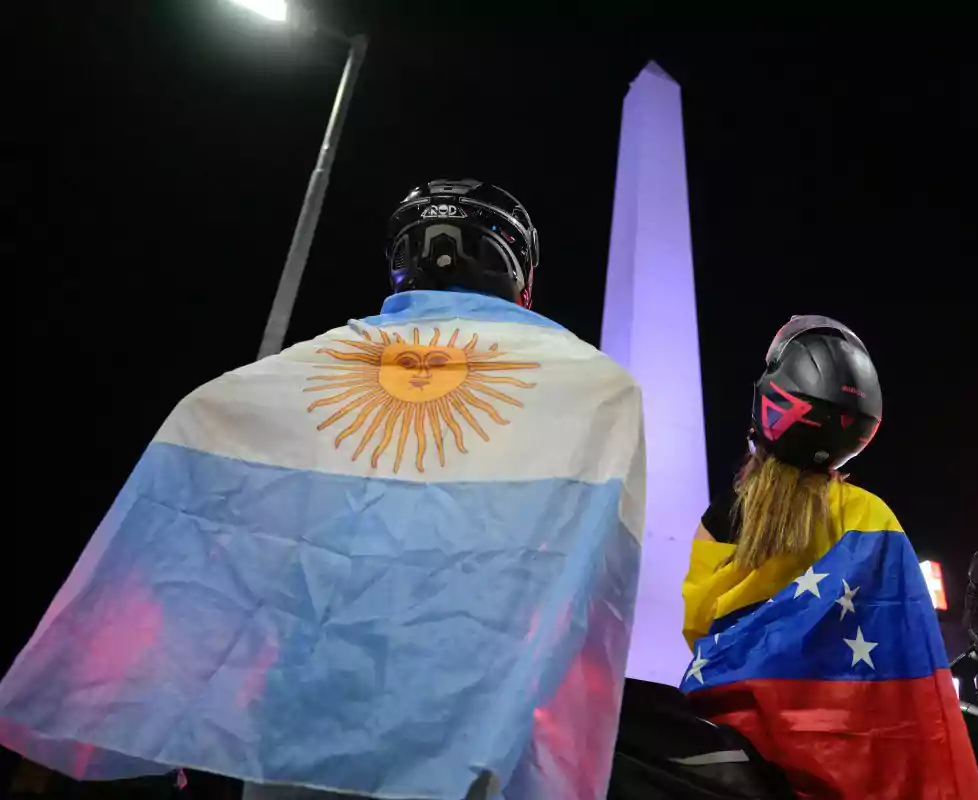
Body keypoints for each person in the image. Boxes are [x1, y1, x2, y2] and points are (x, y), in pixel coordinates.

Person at [0, 179, 646, 800]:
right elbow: (593, 589)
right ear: (521, 279)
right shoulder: (590, 386)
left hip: (294, 710)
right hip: (465, 719)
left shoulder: (283, 380)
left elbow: (199, 536)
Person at [679, 316, 978, 799]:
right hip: (872, 762)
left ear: (771, 403)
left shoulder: (723, 518)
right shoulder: (872, 517)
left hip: (741, 754)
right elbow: (910, 641)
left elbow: (700, 625)